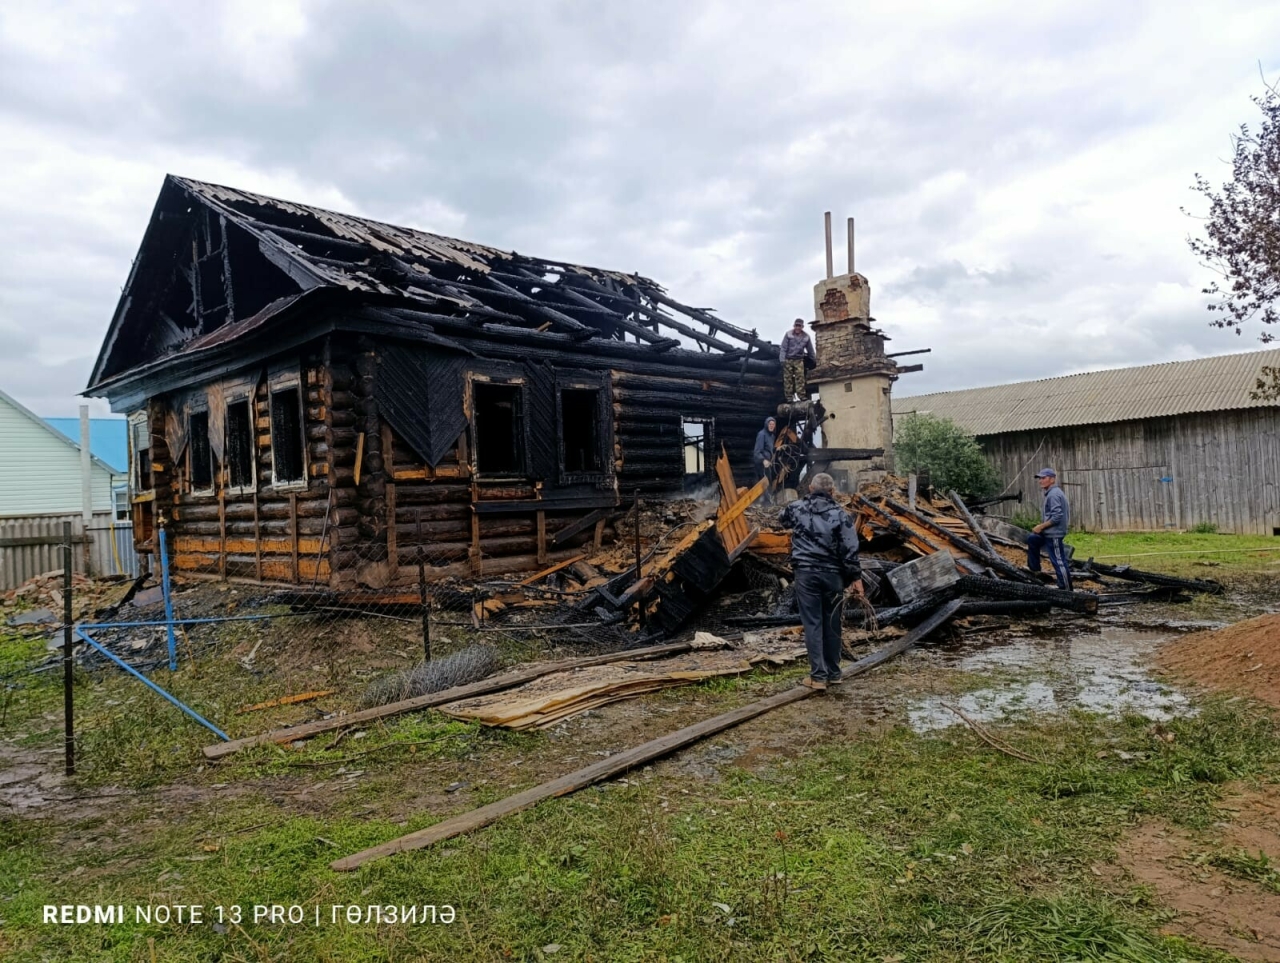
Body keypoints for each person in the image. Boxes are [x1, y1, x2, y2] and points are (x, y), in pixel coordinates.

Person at [779, 472, 863, 691]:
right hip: (833, 576)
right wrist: (856, 578)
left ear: (810, 489)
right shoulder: (841, 515)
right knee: (833, 622)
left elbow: (782, 520)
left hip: (806, 575)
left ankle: (818, 676)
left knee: (813, 623)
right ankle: (834, 673)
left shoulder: (796, 508)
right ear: (832, 491)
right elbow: (850, 549)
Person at [1027, 468, 1072, 590]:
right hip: (1048, 532)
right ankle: (1035, 571)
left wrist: (1041, 526)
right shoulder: (1050, 493)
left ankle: (1066, 589)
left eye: (1043, 478)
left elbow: (1057, 517)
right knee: (1032, 539)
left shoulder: (1054, 494)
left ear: (1052, 479)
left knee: (1058, 561)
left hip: (1054, 534)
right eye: (1039, 478)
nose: (1040, 481)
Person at [778, 318, 816, 401]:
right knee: (788, 378)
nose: (797, 328)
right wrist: (782, 359)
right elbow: (783, 348)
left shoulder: (806, 337)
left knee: (800, 378)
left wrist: (814, 360)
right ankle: (789, 398)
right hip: (788, 359)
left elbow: (810, 350)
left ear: (802, 327)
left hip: (799, 360)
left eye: (799, 326)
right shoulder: (788, 335)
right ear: (794, 326)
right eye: (796, 326)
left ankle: (802, 396)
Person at [752, 416, 777, 490]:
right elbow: (757, 452)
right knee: (764, 485)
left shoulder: (772, 436)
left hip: (768, 463)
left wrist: (776, 449)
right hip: (761, 464)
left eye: (773, 424)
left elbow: (768, 449)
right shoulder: (761, 435)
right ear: (766, 424)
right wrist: (763, 460)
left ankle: (768, 500)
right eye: (770, 424)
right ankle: (764, 501)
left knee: (768, 483)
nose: (772, 426)